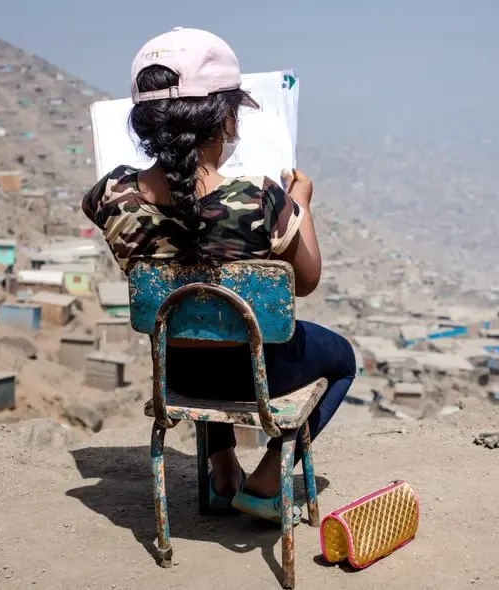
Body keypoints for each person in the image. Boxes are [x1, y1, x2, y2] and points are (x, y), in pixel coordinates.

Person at [81, 27, 355, 525]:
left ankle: (223, 467)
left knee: (202, 323)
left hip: (178, 374)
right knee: (342, 359)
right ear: (224, 119)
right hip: (256, 377)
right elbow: (309, 278)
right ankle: (269, 479)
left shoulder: (109, 196)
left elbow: (153, 211)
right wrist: (302, 205)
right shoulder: (260, 199)